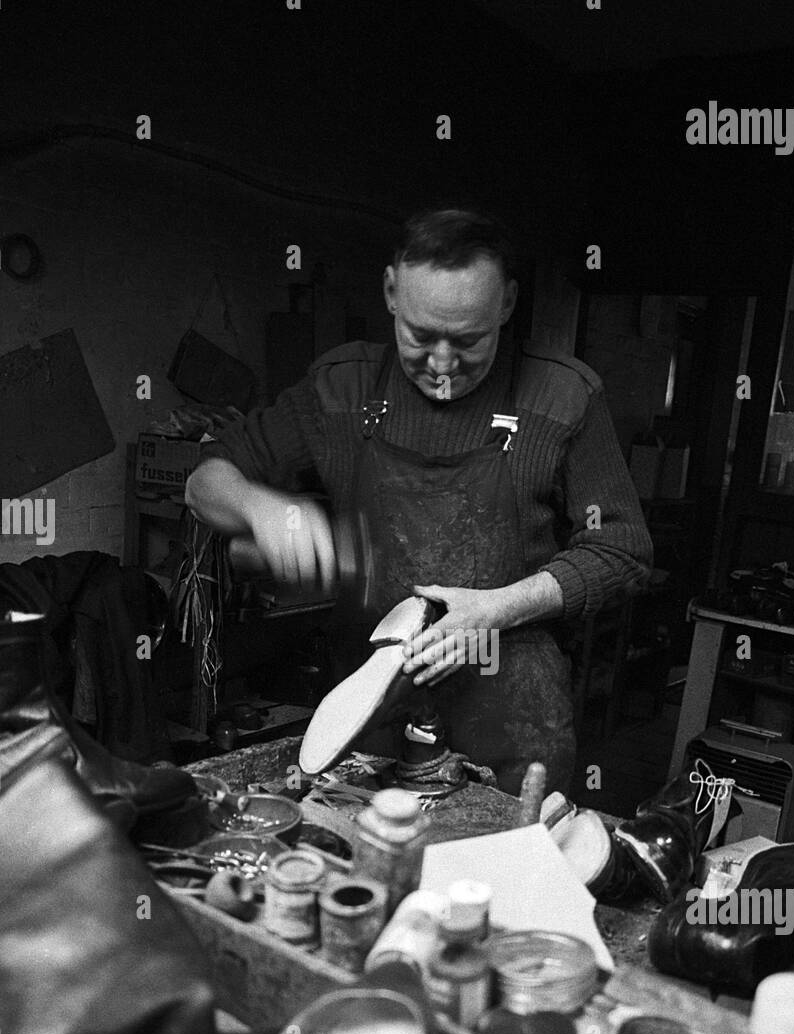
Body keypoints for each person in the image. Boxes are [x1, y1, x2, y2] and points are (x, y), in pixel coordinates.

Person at [185, 208, 652, 795]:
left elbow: (623, 549)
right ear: (390, 293)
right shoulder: (342, 387)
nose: (441, 366)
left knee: (499, 878)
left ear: (506, 304)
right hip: (372, 706)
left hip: (509, 709)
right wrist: (260, 508)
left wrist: (499, 609)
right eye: (420, 336)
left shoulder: (563, 395)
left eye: (468, 340)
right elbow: (206, 479)